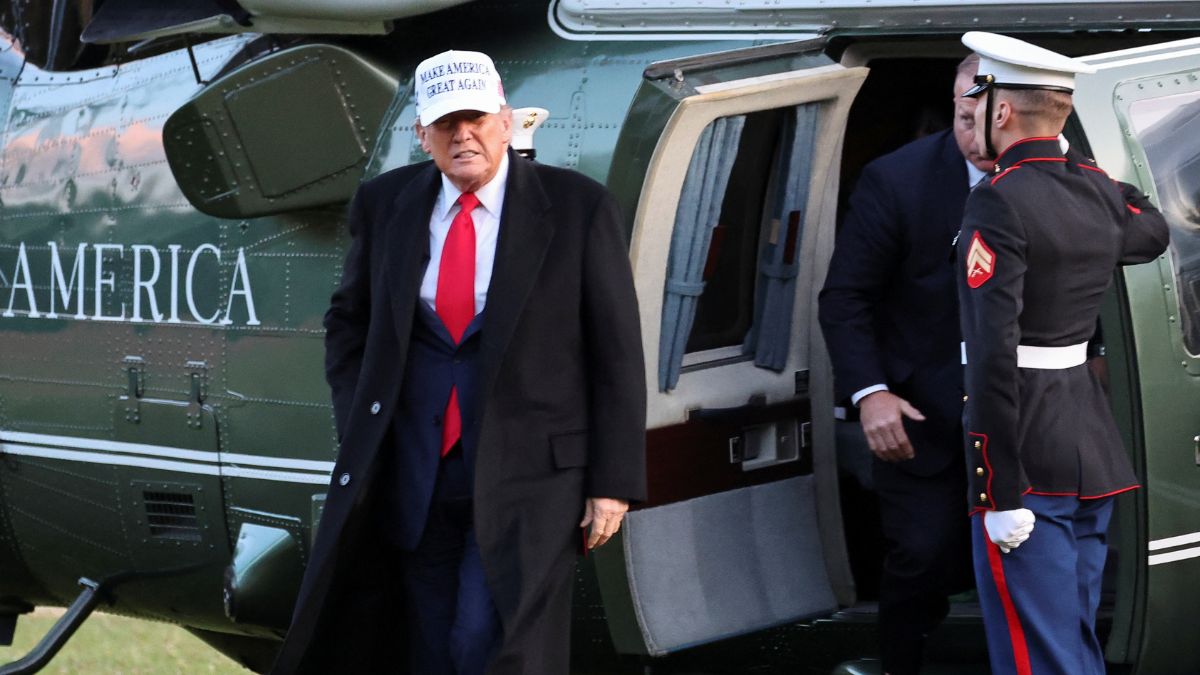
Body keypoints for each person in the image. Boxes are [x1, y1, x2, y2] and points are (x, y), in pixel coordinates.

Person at [271, 49, 647, 675]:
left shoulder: (580, 207)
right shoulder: (383, 204)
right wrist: (362, 421)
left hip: (532, 477)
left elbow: (616, 352)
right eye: (446, 123)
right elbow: (348, 324)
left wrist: (612, 483)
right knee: (428, 639)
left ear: (506, 120)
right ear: (423, 135)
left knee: (485, 640)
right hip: (416, 471)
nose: (462, 134)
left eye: (475, 118)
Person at [956, 32, 1169, 675]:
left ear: (1000, 111)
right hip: (1087, 446)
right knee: (1074, 646)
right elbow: (1152, 228)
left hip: (1025, 459)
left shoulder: (996, 199)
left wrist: (996, 488)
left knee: (1038, 657)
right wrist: (1074, 161)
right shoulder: (1097, 192)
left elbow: (993, 355)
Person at [818, 54, 994, 674]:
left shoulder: (1060, 176)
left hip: (1028, 417)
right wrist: (871, 393)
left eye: (987, 117)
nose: (973, 133)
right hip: (925, 413)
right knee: (921, 555)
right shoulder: (898, 180)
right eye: (961, 114)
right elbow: (845, 297)